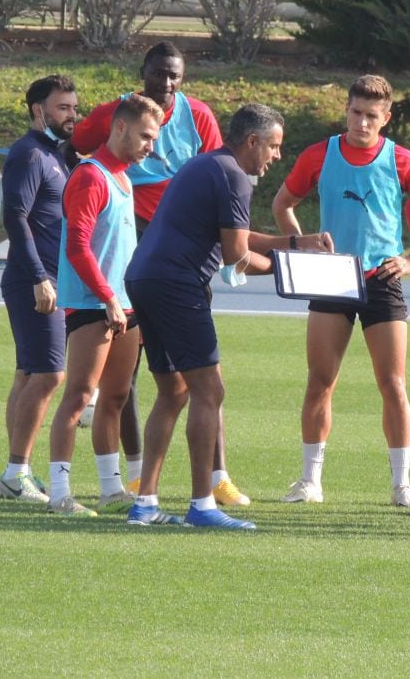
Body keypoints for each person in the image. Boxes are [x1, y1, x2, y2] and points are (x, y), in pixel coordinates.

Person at [125, 104, 332, 529]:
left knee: (174, 392)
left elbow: (235, 235)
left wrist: (295, 242)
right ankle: (202, 505)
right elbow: (237, 257)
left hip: (145, 279)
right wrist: (290, 266)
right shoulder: (235, 175)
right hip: (177, 286)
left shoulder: (209, 165)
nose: (276, 156)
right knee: (210, 391)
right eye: (273, 146)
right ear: (252, 142)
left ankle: (145, 504)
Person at [72, 42, 249, 507]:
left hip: (182, 245)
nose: (166, 84)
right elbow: (77, 146)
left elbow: (218, 173)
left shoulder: (198, 116)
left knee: (196, 373)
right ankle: (135, 479)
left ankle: (218, 476)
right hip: (141, 241)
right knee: (131, 372)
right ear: (144, 72)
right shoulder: (121, 113)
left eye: (175, 76)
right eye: (158, 75)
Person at [272, 75, 410, 507]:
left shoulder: (403, 160)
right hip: (331, 279)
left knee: (393, 384)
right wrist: (302, 245)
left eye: (372, 116)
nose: (362, 123)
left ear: (387, 117)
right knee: (321, 381)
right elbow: (282, 203)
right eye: (356, 113)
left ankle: (401, 485)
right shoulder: (320, 153)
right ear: (347, 110)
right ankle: (310, 481)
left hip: (382, 280)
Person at [45, 95, 162, 517]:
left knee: (115, 396)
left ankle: (111, 488)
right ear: (120, 129)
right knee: (78, 397)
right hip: (93, 305)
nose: (151, 146)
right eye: (146, 136)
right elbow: (77, 246)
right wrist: (107, 296)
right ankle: (60, 493)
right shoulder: (91, 176)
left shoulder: (126, 178)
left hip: (125, 306)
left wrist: (129, 298)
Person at [0, 75, 77, 504]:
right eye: (62, 107)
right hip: (35, 281)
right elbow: (15, 218)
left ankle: (17, 472)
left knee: (28, 373)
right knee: (50, 374)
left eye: (73, 108)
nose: (71, 115)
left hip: (48, 279)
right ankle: (15, 473)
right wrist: (39, 278)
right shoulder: (29, 154)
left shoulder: (57, 155)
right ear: (37, 110)